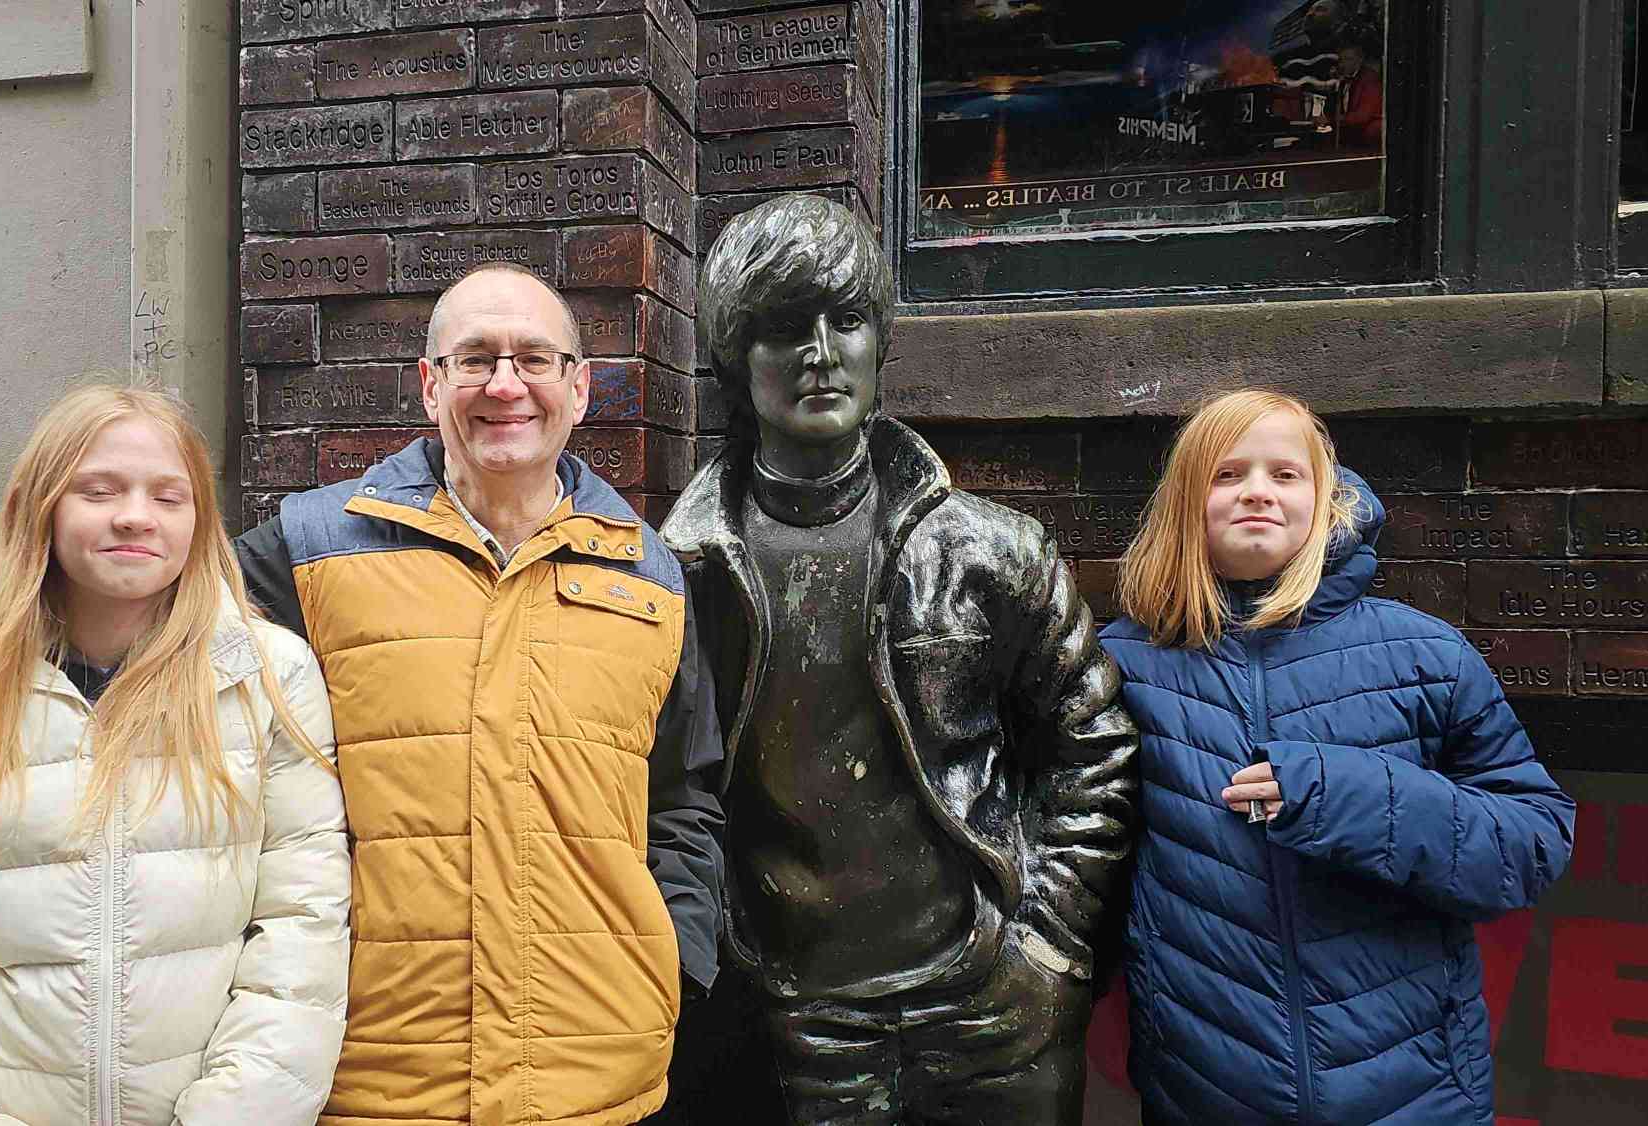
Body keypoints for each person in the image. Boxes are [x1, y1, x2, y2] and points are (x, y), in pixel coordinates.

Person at [0, 263, 726, 1126]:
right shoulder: (319, 546)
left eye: (534, 359)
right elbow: (126, 580)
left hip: (600, 1068)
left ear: (580, 385)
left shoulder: (649, 574)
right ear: (431, 386)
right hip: (386, 1077)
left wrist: (666, 963)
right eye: (474, 358)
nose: (505, 384)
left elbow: (685, 796)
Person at [661, 192, 1138, 1124]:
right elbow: (663, 790)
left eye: (847, 321)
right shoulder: (679, 574)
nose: (821, 352)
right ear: (735, 359)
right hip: (795, 1020)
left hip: (991, 1002)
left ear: (880, 343)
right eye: (784, 329)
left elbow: (1097, 748)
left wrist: (1048, 951)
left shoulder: (990, 552)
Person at [0, 384, 351, 1123]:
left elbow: (301, 934)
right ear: (42, 508)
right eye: (98, 490)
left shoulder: (268, 678)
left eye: (168, 496)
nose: (134, 515)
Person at [1098, 388, 1574, 1124]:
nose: (1257, 491)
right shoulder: (1120, 667)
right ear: (1187, 503)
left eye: (1285, 474)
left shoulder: (1425, 654)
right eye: (1227, 475)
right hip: (1207, 1089)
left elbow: (1533, 844)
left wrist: (1346, 797)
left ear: (1326, 501)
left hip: (1416, 1092)